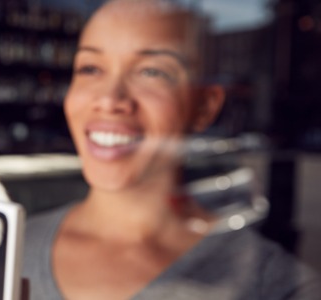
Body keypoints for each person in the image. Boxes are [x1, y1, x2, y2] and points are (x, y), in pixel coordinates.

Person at [22, 0, 321, 299]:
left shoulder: (278, 288)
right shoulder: (4, 248)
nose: (110, 99)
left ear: (204, 106)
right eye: (90, 68)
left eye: (152, 72)